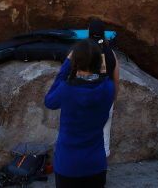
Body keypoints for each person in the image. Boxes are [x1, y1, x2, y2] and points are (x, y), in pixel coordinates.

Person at [45, 39, 114, 188]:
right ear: (98, 62)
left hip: (68, 164)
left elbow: (49, 102)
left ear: (75, 62)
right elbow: (102, 76)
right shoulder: (108, 88)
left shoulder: (67, 89)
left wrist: (67, 64)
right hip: (96, 163)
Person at [88, 19, 120, 158]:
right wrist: (114, 97)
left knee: (86, 134)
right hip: (106, 97)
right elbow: (116, 78)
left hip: (87, 98)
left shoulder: (84, 51)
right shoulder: (111, 53)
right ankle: (101, 170)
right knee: (104, 135)